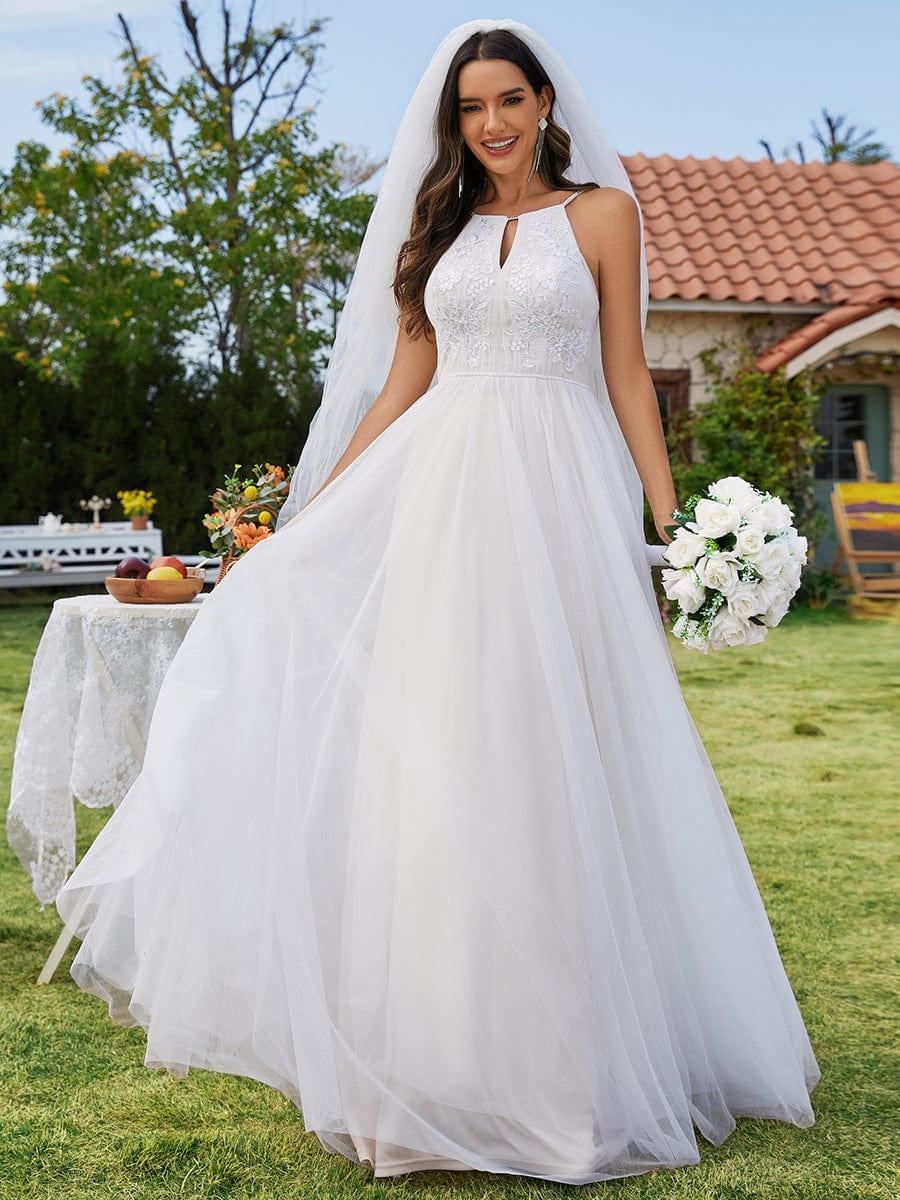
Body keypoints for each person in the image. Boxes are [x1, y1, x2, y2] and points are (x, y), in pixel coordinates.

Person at [55, 19, 821, 1186]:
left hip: (559, 506)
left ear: (545, 101)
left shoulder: (604, 215)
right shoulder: (440, 231)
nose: (492, 123)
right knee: (442, 759)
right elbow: (400, 387)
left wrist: (673, 523)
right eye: (471, 107)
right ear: (453, 121)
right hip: (443, 510)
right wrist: (303, 525)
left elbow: (627, 375)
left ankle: (564, 1075)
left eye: (509, 99)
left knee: (551, 757)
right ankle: (428, 1066)